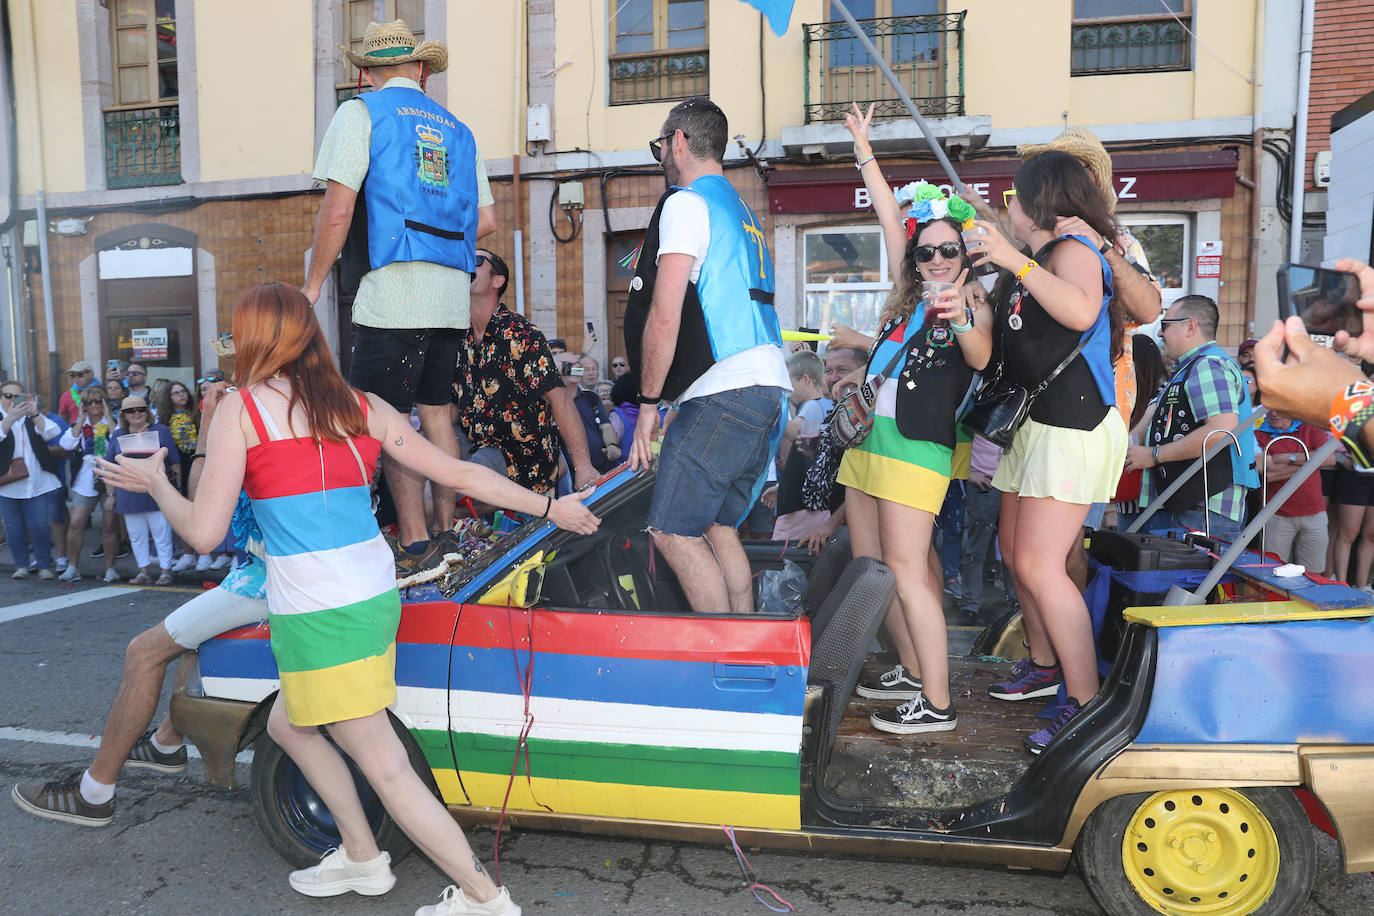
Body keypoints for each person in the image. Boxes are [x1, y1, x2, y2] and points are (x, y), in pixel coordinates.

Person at [93, 283, 596, 916]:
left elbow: (203, 532)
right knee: (290, 724)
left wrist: (156, 484)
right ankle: (362, 855)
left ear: (255, 339)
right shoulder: (359, 405)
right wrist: (552, 506)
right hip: (371, 600)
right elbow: (460, 472)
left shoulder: (241, 411)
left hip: (319, 614)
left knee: (385, 767)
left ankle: (485, 898)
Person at [14, 381, 271, 827]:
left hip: (266, 581)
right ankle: (167, 743)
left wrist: (206, 430)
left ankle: (95, 792)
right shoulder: (293, 410)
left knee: (143, 651)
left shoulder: (251, 415)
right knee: (195, 642)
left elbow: (200, 521)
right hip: (273, 572)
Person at [302, 19, 494, 571]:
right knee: (438, 415)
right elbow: (485, 220)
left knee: (388, 419)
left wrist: (314, 283)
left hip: (393, 289)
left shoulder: (360, 113)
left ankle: (413, 543)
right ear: (421, 70)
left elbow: (337, 209)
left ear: (366, 73)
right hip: (451, 294)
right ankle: (449, 531)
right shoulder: (459, 130)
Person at [835, 104, 991, 734]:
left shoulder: (970, 296)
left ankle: (939, 703)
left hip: (914, 450)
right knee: (874, 568)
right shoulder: (910, 297)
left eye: (946, 249)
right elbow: (886, 218)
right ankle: (910, 669)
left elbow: (980, 356)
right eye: (925, 250)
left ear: (963, 250)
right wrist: (864, 148)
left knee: (907, 571)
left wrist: (958, 315)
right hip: (870, 439)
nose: (933, 257)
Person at [965, 149, 1125, 754]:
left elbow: (1083, 309)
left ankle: (1085, 706)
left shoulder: (1074, 251)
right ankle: (1044, 664)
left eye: (1013, 195)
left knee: (1038, 564)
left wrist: (1011, 262)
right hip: (1039, 426)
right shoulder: (1037, 259)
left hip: (1073, 426)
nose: (1007, 205)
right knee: (1013, 552)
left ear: (1039, 201)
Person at [624, 97, 791, 615]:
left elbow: (665, 312)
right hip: (766, 386)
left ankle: (719, 659)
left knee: (672, 531)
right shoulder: (740, 210)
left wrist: (648, 402)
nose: (660, 157)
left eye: (659, 145)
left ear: (678, 141)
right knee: (718, 527)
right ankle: (742, 639)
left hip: (724, 388)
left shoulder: (686, 202)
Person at [453, 249, 598, 502]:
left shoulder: (520, 333)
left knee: (449, 493)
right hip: (474, 448)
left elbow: (560, 399)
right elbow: (451, 408)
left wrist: (583, 468)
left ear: (497, 281)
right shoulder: (458, 338)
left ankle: (541, 487)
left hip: (516, 455)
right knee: (431, 482)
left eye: (476, 260)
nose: (465, 262)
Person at [1125, 295, 1259, 541]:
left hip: (1200, 507)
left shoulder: (1208, 365)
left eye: (1165, 326)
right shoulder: (1192, 368)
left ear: (1190, 326)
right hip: (1189, 504)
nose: (1161, 334)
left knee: (1187, 580)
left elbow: (1220, 432)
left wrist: (1154, 455)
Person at [106, 395, 179, 586]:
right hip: (128, 492)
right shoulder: (117, 434)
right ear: (124, 415)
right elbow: (110, 465)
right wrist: (111, 495)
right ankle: (143, 571)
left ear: (147, 411)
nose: (137, 413)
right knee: (136, 535)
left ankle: (165, 572)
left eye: (141, 409)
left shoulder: (160, 430)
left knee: (161, 532)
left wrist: (176, 489)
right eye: (131, 410)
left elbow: (175, 462)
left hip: (157, 490)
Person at [1254, 410, 1335, 573]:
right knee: (1272, 571)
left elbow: (1329, 459)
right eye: (1269, 409)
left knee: (1314, 573)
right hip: (1276, 514)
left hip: (1314, 513)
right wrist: (1311, 463)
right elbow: (1266, 473)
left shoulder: (1310, 427)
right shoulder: (1258, 433)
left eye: (1280, 409)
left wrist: (1285, 458)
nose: (1274, 413)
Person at [0, 380, 62, 579]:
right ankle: (21, 566)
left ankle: (44, 565)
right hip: (6, 484)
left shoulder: (32, 417)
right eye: (7, 396)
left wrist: (34, 413)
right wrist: (10, 418)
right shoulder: (3, 418)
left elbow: (53, 432)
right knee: (13, 527)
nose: (11, 400)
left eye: (16, 396)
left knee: (39, 526)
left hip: (36, 482)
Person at [56, 387, 115, 582]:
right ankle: (73, 567)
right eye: (90, 402)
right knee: (75, 523)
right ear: (84, 406)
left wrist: (108, 416)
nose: (95, 405)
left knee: (108, 526)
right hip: (84, 482)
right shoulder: (79, 425)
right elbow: (66, 444)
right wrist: (81, 420)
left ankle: (110, 568)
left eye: (99, 401)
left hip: (110, 482)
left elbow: (120, 441)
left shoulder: (112, 423)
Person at [559, 354, 620, 474]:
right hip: (571, 474)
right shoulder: (552, 402)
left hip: (602, 468)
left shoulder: (591, 397)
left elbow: (606, 425)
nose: (575, 368)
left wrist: (612, 445)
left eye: (578, 365)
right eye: (569, 365)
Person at [59, 360, 96, 425]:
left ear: (91, 374)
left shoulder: (101, 392)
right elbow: (62, 419)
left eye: (80, 374)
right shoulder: (66, 396)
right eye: (73, 375)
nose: (76, 378)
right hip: (77, 432)